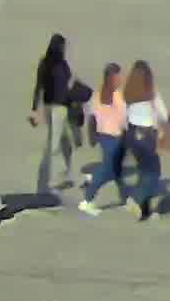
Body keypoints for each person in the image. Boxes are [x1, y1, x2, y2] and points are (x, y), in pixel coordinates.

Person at [29, 34, 89, 199]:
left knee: (66, 144)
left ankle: (72, 176)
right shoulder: (55, 65)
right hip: (57, 109)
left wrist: (35, 109)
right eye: (63, 47)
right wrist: (34, 110)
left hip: (55, 108)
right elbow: (42, 86)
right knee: (54, 146)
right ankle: (49, 185)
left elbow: (40, 87)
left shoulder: (51, 63)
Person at [119, 59, 170, 219]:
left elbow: (123, 115)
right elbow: (163, 113)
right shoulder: (151, 92)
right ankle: (135, 200)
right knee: (153, 172)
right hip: (147, 135)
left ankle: (145, 211)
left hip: (132, 134)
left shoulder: (127, 93)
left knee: (144, 171)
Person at [82, 62, 130, 214]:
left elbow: (91, 116)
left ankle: (125, 198)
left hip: (106, 137)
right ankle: (87, 200)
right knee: (107, 170)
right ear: (111, 78)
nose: (120, 79)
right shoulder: (116, 95)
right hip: (112, 137)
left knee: (117, 170)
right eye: (118, 77)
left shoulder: (99, 94)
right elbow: (125, 117)